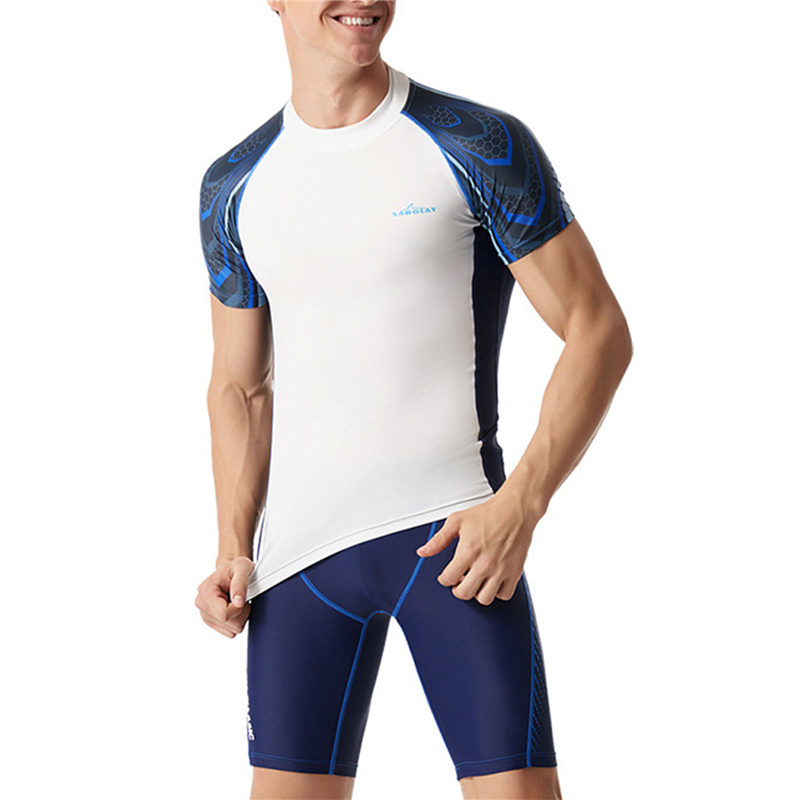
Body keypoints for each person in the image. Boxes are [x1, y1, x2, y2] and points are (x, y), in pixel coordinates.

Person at [194, 2, 633, 798]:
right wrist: (233, 548)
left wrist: (521, 504)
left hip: (454, 543)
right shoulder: (234, 184)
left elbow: (597, 329)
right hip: (295, 568)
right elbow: (240, 384)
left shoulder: (476, 144)